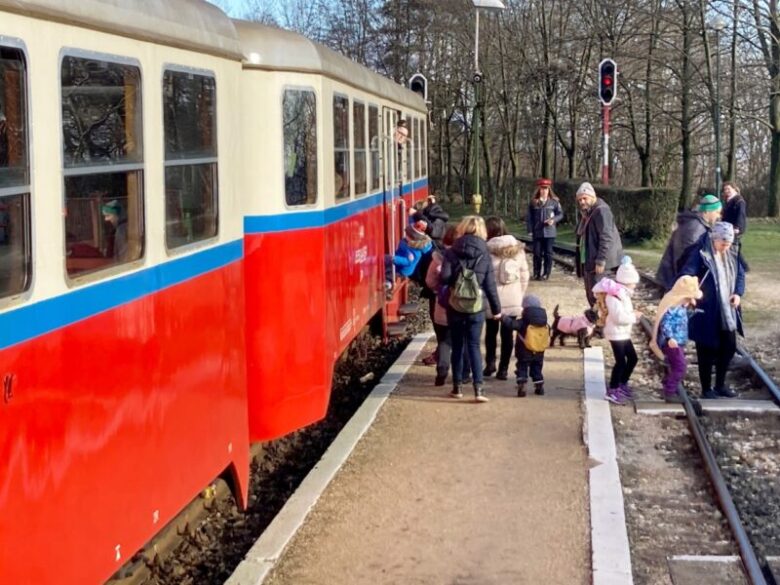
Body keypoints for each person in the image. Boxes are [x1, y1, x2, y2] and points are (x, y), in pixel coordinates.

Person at [681, 221, 746, 399]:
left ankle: (720, 385)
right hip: (706, 309)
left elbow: (740, 275)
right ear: (714, 239)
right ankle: (706, 389)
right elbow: (687, 274)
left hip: (728, 310)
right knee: (706, 349)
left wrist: (738, 293)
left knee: (729, 347)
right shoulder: (700, 253)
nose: (726, 247)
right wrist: (693, 292)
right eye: (723, 243)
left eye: (729, 243)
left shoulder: (732, 252)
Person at [440, 215, 501, 403]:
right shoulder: (485, 253)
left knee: (457, 346)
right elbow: (490, 285)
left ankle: (457, 387)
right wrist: (497, 309)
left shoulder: (452, 251)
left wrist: (456, 282)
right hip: (476, 307)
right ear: (482, 231)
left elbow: (444, 277)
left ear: (463, 227)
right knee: (474, 345)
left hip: (456, 306)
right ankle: (479, 389)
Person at [484, 219, 530, 380]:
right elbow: (525, 275)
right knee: (507, 334)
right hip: (513, 299)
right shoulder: (518, 250)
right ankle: (503, 369)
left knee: (490, 332)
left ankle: (490, 364)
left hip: (491, 300)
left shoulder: (486, 250)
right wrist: (520, 294)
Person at [592, 256, 642, 405]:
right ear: (627, 282)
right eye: (634, 282)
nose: (635, 285)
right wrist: (634, 316)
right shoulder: (615, 296)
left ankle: (622, 383)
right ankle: (613, 389)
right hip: (616, 332)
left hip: (622, 332)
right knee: (621, 361)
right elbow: (619, 317)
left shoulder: (622, 293)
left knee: (632, 358)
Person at [425, 226, 471, 386]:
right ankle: (465, 373)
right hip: (463, 306)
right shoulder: (468, 257)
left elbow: (429, 281)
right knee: (464, 340)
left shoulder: (438, 258)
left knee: (444, 341)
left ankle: (442, 370)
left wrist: (438, 290)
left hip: (442, 307)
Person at [650, 275, 703, 403]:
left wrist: (693, 310)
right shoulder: (672, 308)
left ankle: (668, 382)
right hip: (672, 343)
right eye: (688, 298)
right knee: (680, 367)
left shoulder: (681, 306)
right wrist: (669, 338)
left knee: (675, 364)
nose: (689, 301)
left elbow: (682, 318)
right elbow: (666, 323)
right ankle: (669, 390)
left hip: (678, 341)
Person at [656, 193, 722, 291]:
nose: (719, 216)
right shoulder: (695, 228)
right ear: (707, 211)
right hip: (676, 280)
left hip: (673, 277)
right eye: (717, 212)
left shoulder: (694, 223)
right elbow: (686, 258)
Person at [575, 182, 623, 308]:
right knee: (593, 296)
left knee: (599, 297)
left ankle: (602, 324)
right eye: (580, 199)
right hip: (592, 261)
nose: (582, 202)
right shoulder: (590, 212)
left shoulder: (601, 211)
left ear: (592, 196)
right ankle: (599, 323)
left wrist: (601, 260)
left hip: (601, 264)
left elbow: (606, 236)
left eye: (584, 198)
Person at [507, 294, 549, 397]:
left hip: (523, 350)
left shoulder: (524, 321)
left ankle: (522, 385)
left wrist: (503, 318)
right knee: (537, 368)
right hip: (539, 350)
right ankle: (539, 386)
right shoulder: (544, 322)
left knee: (522, 367)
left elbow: (512, 324)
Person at [526, 178, 563, 280]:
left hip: (549, 232)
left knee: (548, 253)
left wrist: (553, 220)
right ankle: (537, 273)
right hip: (537, 231)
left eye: (546, 189)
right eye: (542, 189)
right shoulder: (533, 203)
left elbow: (560, 214)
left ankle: (546, 273)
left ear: (548, 190)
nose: (544, 191)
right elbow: (529, 217)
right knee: (537, 253)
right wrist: (529, 229)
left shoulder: (554, 202)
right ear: (539, 190)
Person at [385, 219, 432, 292]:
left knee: (392, 272)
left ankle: (388, 283)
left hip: (403, 269)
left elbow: (407, 261)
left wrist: (394, 259)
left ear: (414, 238)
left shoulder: (415, 252)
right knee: (388, 266)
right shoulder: (406, 242)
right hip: (398, 260)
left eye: (409, 235)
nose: (406, 236)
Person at [721, 182, 747, 257]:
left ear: (734, 189)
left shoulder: (739, 201)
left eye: (728, 189)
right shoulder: (728, 200)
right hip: (727, 228)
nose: (726, 191)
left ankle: (739, 265)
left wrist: (737, 227)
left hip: (734, 230)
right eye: (725, 189)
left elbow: (741, 214)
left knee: (733, 250)